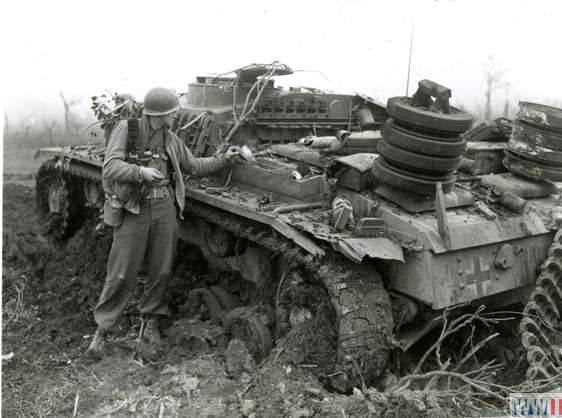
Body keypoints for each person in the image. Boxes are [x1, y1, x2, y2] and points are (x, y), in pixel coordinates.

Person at [87, 87, 239, 354]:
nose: (177, 116)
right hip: (134, 209)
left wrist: (225, 159)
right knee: (121, 273)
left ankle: (151, 322)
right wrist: (140, 171)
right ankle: (103, 330)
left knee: (162, 272)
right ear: (161, 113)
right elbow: (110, 166)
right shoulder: (128, 130)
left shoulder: (171, 139)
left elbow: (195, 166)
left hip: (164, 210)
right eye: (174, 112)